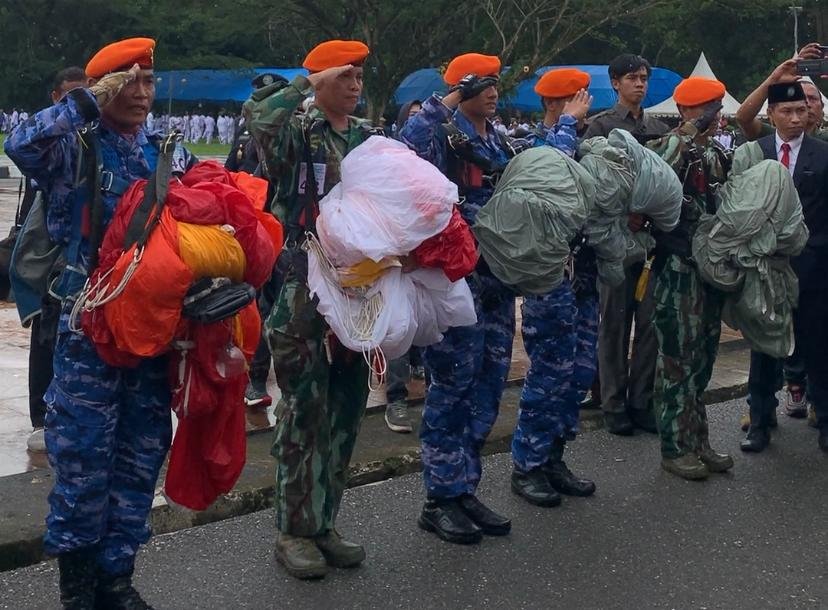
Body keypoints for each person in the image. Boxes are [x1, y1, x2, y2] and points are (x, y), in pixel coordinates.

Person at [5, 37, 196, 608]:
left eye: (148, 82)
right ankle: (79, 589)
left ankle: (117, 579)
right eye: (129, 81)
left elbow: (185, 231)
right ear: (106, 87)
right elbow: (22, 144)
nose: (141, 93)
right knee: (84, 463)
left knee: (140, 458)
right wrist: (84, 103)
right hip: (89, 330)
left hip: (151, 331)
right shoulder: (75, 149)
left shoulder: (163, 152)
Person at [244, 39, 378, 580]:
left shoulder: (368, 138)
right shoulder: (299, 131)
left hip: (358, 287)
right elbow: (261, 117)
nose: (355, 84)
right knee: (304, 410)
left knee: (346, 408)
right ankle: (293, 529)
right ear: (322, 79)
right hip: (303, 288)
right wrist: (307, 81)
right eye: (345, 75)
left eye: (359, 76)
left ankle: (324, 521)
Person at [400, 52, 516, 545]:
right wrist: (448, 99)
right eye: (482, 84)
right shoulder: (435, 130)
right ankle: (439, 497)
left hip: (495, 279)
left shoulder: (496, 136)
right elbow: (407, 152)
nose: (492, 92)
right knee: (451, 387)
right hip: (455, 283)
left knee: (488, 385)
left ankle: (465, 485)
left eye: (496, 83)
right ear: (462, 87)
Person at [510, 68, 598, 507]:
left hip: (582, 274)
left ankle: (555, 457)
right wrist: (564, 124)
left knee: (578, 373)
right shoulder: (531, 143)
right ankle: (528, 464)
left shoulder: (581, 141)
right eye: (579, 100)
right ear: (555, 104)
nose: (586, 108)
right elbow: (550, 182)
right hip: (548, 279)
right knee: (548, 374)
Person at [645, 76, 734, 480]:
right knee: (676, 360)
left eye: (716, 109)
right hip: (677, 267)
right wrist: (690, 130)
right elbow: (657, 169)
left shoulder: (714, 152)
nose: (714, 118)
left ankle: (699, 439)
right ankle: (674, 447)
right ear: (684, 111)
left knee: (703, 359)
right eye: (706, 110)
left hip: (708, 268)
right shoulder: (664, 145)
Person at [735, 45, 826, 429]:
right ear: (771, 115)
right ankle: (759, 421)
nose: (794, 118)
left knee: (818, 347)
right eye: (786, 111)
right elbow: (743, 115)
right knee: (764, 349)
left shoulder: (823, 155)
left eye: (801, 111)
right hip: (767, 268)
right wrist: (774, 77)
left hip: (814, 266)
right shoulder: (758, 150)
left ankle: (823, 421)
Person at [584, 54, 669, 436]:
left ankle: (642, 401)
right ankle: (613, 403)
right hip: (614, 241)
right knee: (614, 324)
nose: (640, 84)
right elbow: (591, 184)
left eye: (644, 78)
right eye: (632, 78)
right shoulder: (598, 126)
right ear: (615, 82)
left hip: (650, 242)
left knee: (650, 324)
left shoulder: (657, 126)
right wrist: (622, 215)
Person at [15, 66, 88, 455]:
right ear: (56, 97)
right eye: (72, 96)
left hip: (89, 263)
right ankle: (41, 416)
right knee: (45, 335)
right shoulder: (51, 140)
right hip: (51, 256)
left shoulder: (99, 142)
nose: (83, 103)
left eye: (87, 94)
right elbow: (21, 147)